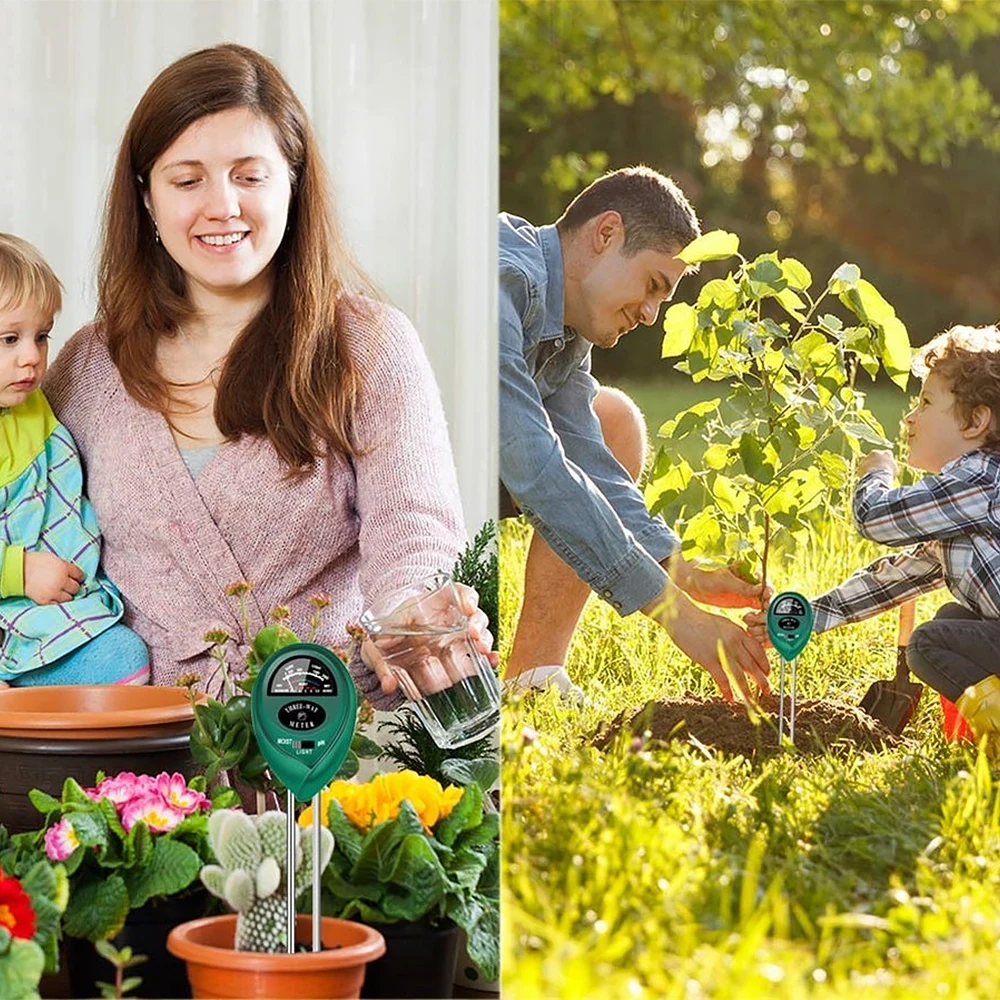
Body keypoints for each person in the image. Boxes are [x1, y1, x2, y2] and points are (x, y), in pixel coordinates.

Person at [42, 44, 490, 707]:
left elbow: (414, 534)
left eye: (249, 176)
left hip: (322, 738)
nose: (221, 206)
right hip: (121, 759)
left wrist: (407, 621)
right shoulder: (84, 365)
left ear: (293, 183)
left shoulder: (369, 344)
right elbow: (20, 519)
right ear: (146, 198)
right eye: (187, 180)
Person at [499, 166, 770, 704]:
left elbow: (588, 460)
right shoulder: (505, 280)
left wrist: (678, 567)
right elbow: (533, 464)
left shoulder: (567, 326)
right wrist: (677, 615)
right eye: (652, 286)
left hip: (456, 462)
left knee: (613, 420)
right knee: (558, 463)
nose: (650, 315)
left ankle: (532, 680)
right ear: (606, 234)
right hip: (359, 472)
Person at [745, 324, 1000, 738]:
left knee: (928, 643)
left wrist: (877, 474)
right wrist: (812, 615)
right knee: (953, 619)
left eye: (925, 402)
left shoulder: (978, 482)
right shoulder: (962, 509)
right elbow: (895, 579)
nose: (910, 417)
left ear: (975, 421)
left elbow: (875, 518)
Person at [0, 233, 150, 687]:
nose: (31, 357)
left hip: (54, 605)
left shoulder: (33, 407)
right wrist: (17, 570)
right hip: (18, 594)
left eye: (41, 336)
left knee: (126, 658)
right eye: (9, 338)